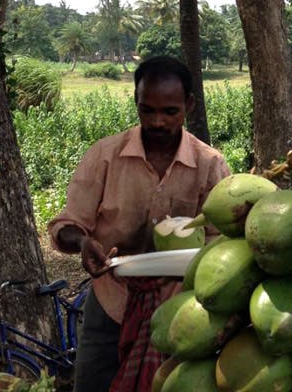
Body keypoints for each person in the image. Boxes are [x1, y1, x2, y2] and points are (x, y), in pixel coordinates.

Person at [48, 56, 230, 392]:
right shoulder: (105, 156)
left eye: (170, 112)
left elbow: (223, 241)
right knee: (93, 384)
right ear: (136, 102)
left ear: (188, 104)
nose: (157, 121)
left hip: (180, 307)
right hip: (112, 300)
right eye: (147, 110)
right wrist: (83, 242)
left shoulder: (209, 165)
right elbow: (68, 223)